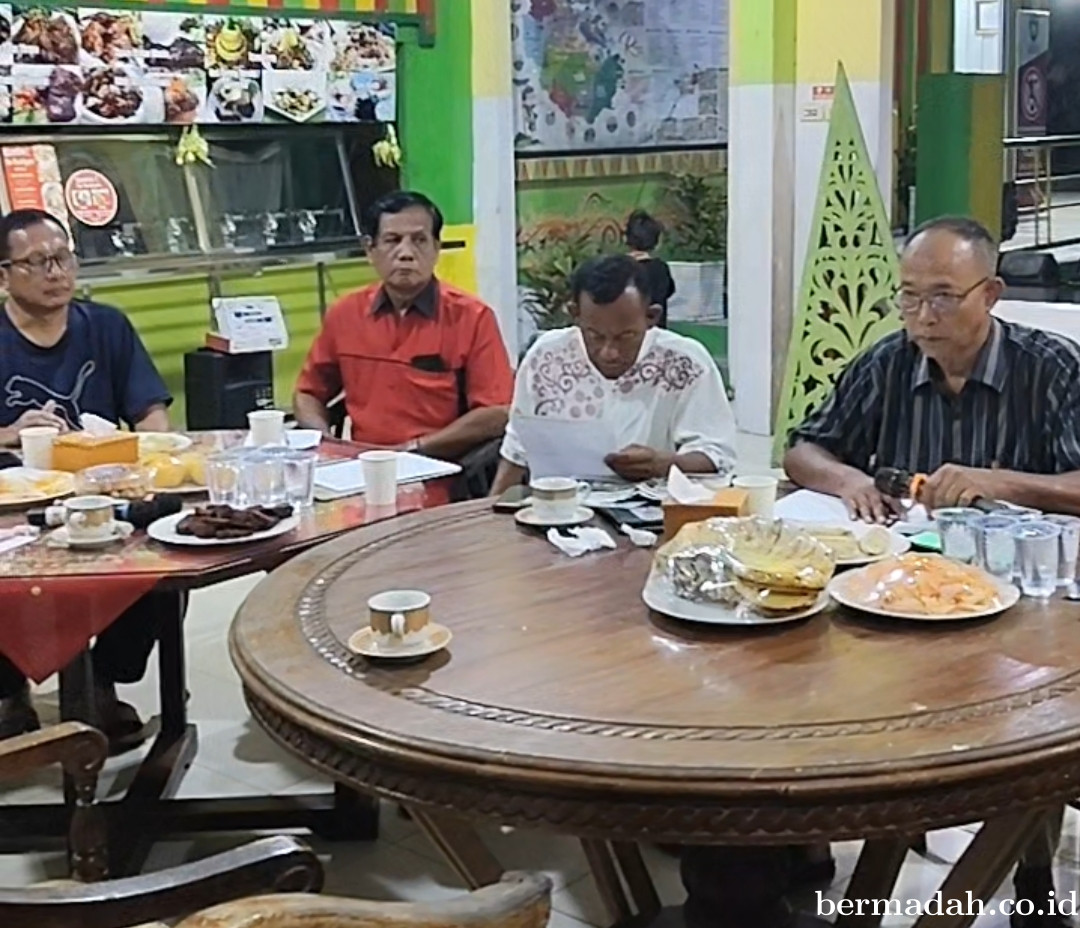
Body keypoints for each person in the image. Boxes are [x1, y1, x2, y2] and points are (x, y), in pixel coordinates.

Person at [784, 214, 1077, 927]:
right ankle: (817, 849)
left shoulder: (1053, 369)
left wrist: (1000, 482)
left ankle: (1033, 875)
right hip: (899, 602)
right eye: (909, 296)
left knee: (1024, 736)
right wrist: (848, 480)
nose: (922, 316)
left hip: (1026, 614)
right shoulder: (886, 363)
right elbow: (803, 449)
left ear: (991, 293)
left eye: (943, 296)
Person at [0, 208, 176, 750]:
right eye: (38, 262)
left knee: (167, 550)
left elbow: (150, 414)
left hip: (99, 496)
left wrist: (149, 459)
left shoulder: (106, 326)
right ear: (4, 274)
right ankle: (6, 693)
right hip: (11, 503)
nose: (56, 273)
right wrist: (9, 433)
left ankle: (101, 682)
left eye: (63, 258)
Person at [294, 190, 514, 464]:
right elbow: (307, 393)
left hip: (438, 468)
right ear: (370, 249)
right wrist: (327, 445)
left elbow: (496, 413)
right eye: (392, 240)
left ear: (436, 248)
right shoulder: (344, 314)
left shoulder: (472, 317)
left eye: (419, 240)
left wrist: (412, 450)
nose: (406, 253)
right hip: (361, 468)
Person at [491, 254, 735, 494]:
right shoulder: (546, 357)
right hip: (559, 507)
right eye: (595, 335)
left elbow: (717, 456)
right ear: (575, 314)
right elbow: (517, 447)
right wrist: (490, 510)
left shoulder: (685, 363)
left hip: (653, 513)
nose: (609, 352)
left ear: (651, 317)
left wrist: (663, 464)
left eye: (625, 336)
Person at [626, 209, 676, 328]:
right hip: (657, 330)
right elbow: (669, 291)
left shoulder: (619, 267)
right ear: (656, 242)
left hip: (628, 330)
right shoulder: (661, 268)